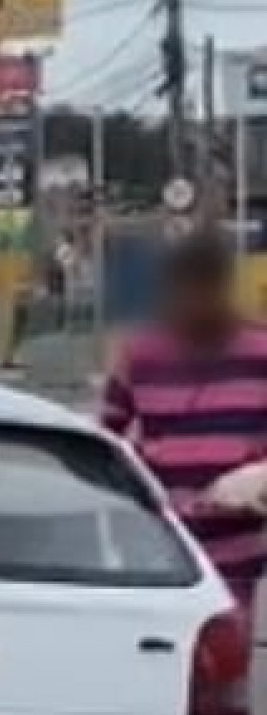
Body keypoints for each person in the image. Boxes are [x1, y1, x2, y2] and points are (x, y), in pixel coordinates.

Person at [100, 232, 267, 627]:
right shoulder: (140, 353)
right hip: (160, 547)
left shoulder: (259, 352)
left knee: (224, 669)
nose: (195, 301)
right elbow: (107, 436)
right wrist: (132, 496)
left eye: (205, 288)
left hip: (235, 551)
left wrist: (255, 478)